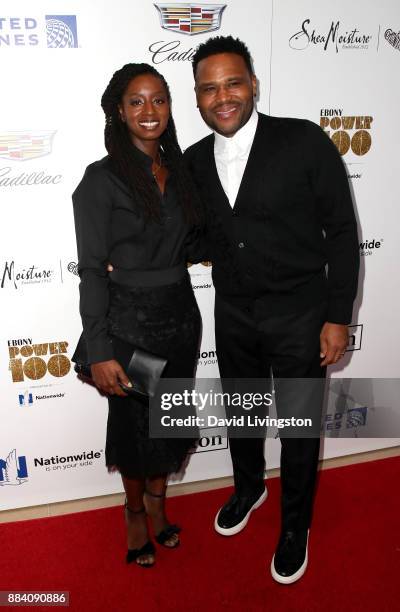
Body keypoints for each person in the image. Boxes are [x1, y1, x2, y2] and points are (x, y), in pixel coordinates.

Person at [184, 36, 359, 583]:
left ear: (253, 84)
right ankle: (249, 487)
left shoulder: (304, 141)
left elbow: (342, 232)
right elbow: (194, 237)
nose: (223, 97)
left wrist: (338, 315)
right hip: (234, 314)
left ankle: (294, 525)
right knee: (243, 414)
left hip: (303, 315)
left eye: (232, 83)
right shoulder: (192, 160)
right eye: (209, 89)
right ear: (197, 98)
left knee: (301, 427)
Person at [72, 63, 202, 568]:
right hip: (129, 323)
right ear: (118, 112)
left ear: (171, 107)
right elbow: (90, 270)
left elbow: (195, 240)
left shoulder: (184, 172)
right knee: (134, 429)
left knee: (167, 422)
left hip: (180, 318)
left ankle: (157, 504)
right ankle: (132, 512)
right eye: (136, 101)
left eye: (159, 100)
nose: (149, 111)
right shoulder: (100, 181)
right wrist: (100, 349)